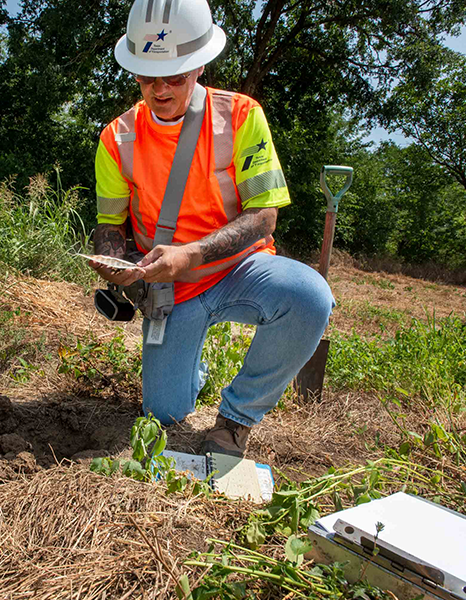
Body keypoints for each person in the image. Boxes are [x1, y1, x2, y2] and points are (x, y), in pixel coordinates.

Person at [89, 0, 334, 457]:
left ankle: (236, 420)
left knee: (310, 298)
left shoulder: (241, 116)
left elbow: (264, 216)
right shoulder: (115, 138)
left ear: (199, 66)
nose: (159, 89)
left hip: (241, 269)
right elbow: (110, 225)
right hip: (169, 291)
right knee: (162, 415)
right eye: (146, 76)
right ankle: (190, 372)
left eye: (174, 76)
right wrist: (117, 264)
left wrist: (191, 255)